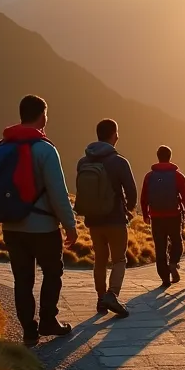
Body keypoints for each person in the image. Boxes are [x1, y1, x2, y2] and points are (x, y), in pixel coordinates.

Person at [0, 95, 78, 347]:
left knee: (22, 279)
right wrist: (70, 225)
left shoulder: (3, 146)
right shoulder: (45, 150)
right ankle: (48, 320)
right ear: (43, 116)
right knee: (53, 272)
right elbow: (58, 192)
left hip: (12, 226)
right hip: (43, 227)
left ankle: (29, 331)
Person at [74, 118, 136, 318]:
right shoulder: (119, 162)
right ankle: (112, 294)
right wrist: (129, 209)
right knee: (119, 259)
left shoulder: (83, 162)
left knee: (100, 259)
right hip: (115, 218)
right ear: (114, 135)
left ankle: (101, 299)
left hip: (93, 220)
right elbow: (131, 192)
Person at [141, 145, 185, 289]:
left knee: (160, 248)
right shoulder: (177, 176)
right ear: (170, 156)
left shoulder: (149, 176)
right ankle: (174, 263)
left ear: (158, 157)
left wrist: (145, 214)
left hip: (156, 216)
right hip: (173, 215)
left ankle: (165, 279)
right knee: (177, 242)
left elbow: (144, 197)